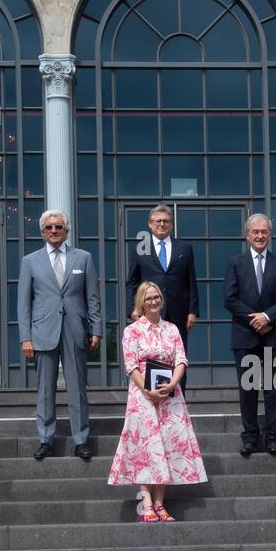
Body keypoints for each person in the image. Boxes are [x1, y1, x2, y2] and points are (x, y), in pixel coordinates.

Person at [108, 282, 207, 522]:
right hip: (142, 395)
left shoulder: (172, 329)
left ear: (162, 300)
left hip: (170, 396)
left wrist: (173, 384)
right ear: (141, 302)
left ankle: (161, 503)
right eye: (149, 298)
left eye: (157, 297)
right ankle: (147, 502)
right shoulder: (132, 331)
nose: (153, 301)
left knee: (167, 445)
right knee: (145, 447)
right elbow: (130, 365)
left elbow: (181, 360)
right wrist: (147, 390)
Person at [18, 209, 101, 461]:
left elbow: (93, 297)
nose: (54, 231)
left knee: (77, 388)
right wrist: (25, 337)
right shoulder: (30, 261)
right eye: (49, 227)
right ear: (42, 232)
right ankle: (46, 439)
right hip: (42, 330)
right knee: (45, 389)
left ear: (67, 230)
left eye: (59, 227)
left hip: (75, 329)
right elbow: (23, 303)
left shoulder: (83, 258)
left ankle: (81, 440)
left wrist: (96, 328)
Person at [224, 213, 276, 457]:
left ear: (270, 235)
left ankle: (272, 436)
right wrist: (255, 319)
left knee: (275, 390)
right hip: (245, 336)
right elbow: (230, 298)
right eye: (256, 232)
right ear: (247, 235)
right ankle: (250, 437)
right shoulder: (235, 263)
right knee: (248, 390)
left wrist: (267, 317)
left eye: (264, 232)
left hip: (274, 336)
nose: (260, 236)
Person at [125, 204, 198, 393]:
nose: (162, 224)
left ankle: (177, 402)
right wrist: (132, 309)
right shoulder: (140, 249)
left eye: (166, 221)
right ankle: (152, 397)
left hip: (178, 313)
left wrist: (192, 311)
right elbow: (132, 282)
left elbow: (191, 281)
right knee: (149, 359)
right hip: (149, 314)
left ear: (171, 225)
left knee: (178, 360)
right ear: (150, 224)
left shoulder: (185, 248)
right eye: (158, 221)